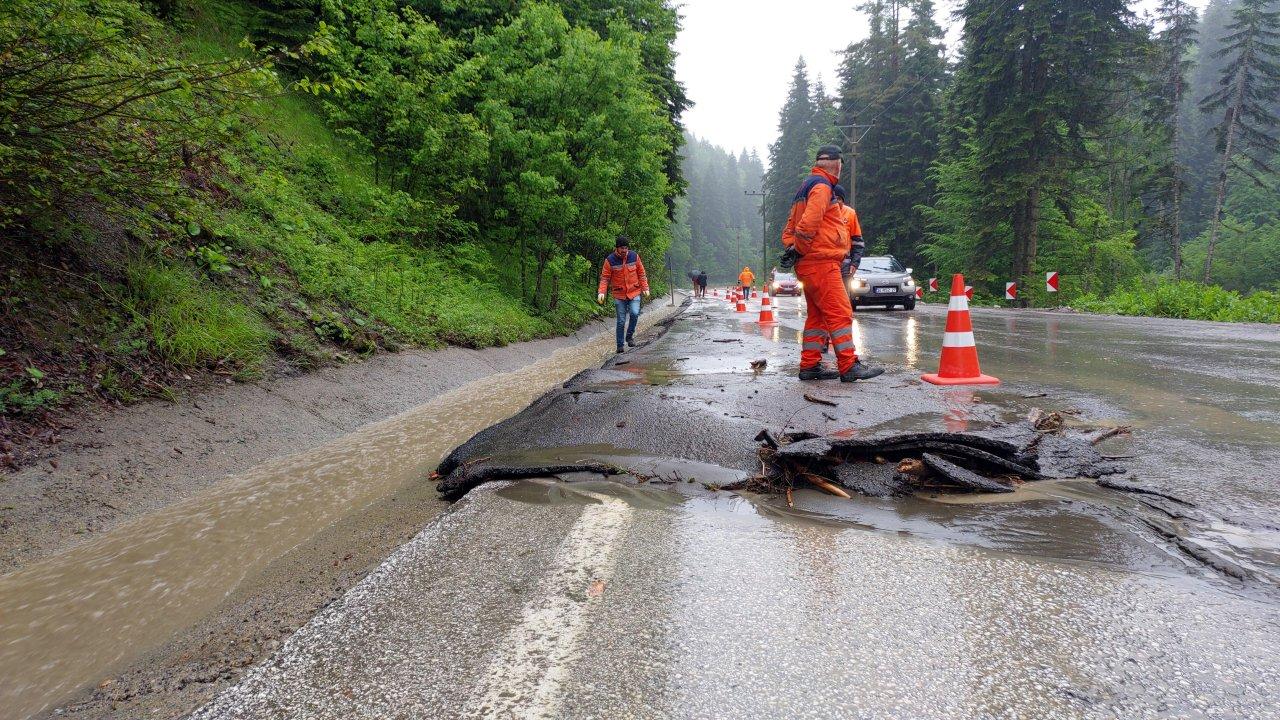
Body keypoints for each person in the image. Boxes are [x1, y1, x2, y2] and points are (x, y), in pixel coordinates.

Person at [780, 145, 883, 382]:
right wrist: (802, 249)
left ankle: (809, 366)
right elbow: (807, 225)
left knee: (817, 317)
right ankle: (849, 366)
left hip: (810, 263)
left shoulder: (805, 187)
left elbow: (789, 228)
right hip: (821, 262)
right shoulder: (822, 186)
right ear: (837, 165)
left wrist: (793, 249)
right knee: (840, 312)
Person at [597, 234, 650, 353]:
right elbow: (605, 278)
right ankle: (620, 345)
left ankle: (629, 336)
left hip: (634, 291)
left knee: (635, 313)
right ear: (617, 248)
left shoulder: (634, 256)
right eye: (622, 248)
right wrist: (602, 292)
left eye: (626, 247)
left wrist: (645, 288)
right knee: (621, 320)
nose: (624, 250)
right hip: (619, 295)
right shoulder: (610, 260)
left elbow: (641, 273)